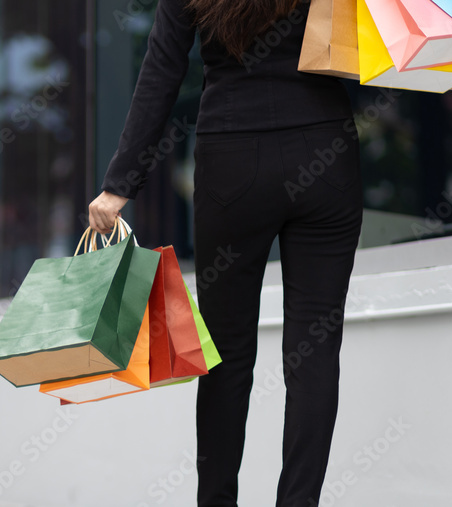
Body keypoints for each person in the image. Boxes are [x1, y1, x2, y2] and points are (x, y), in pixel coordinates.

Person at [87, 0, 362, 505]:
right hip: (325, 152)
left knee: (225, 357)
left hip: (233, 161)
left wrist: (119, 185)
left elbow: (162, 69)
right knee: (316, 350)